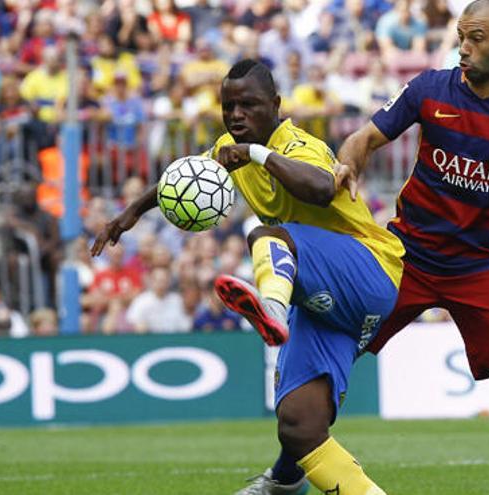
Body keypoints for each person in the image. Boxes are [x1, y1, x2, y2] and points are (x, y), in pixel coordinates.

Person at [247, 1, 489, 494]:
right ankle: (285, 480)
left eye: (476, 37)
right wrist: (347, 164)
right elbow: (364, 138)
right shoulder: (429, 89)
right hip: (405, 257)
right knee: (330, 356)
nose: (464, 47)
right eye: (461, 35)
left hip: (478, 268)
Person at [91, 59, 403, 495]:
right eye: (228, 106)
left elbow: (320, 189)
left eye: (249, 105)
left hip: (370, 272)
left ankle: (271, 308)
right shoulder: (228, 148)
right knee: (298, 425)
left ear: (275, 106)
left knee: (267, 235)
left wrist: (257, 154)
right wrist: (129, 215)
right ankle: (291, 484)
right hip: (325, 302)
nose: (236, 115)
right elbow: (181, 179)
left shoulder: (298, 145)